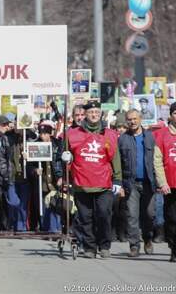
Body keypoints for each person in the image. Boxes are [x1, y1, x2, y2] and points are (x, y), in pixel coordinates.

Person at [66, 101, 123, 259]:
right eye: (91, 112)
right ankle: (89, 247)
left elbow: (115, 158)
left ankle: (104, 245)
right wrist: (65, 165)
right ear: (85, 114)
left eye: (97, 112)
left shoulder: (109, 134)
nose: (94, 115)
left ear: (101, 114)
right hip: (81, 183)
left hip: (103, 184)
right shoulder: (72, 133)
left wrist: (118, 180)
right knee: (85, 218)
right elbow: (65, 156)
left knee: (104, 214)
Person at [119, 109, 156, 257]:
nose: (132, 122)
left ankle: (147, 238)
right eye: (129, 119)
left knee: (149, 214)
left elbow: (157, 160)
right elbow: (119, 164)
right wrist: (119, 184)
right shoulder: (122, 139)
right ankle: (134, 245)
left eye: (135, 119)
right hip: (131, 183)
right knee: (132, 216)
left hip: (149, 183)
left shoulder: (150, 137)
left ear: (140, 119)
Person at [152, 101, 176, 262]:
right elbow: (157, 160)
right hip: (170, 184)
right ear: (171, 115)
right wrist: (162, 182)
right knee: (172, 218)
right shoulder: (162, 135)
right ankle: (173, 248)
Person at [31, 121, 64, 233]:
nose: (42, 136)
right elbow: (30, 165)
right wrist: (35, 170)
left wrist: (61, 177)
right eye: (41, 133)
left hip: (55, 179)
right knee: (44, 205)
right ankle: (46, 229)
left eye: (45, 134)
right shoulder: (35, 144)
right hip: (43, 180)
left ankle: (56, 229)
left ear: (50, 134)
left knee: (56, 204)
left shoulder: (58, 144)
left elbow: (62, 161)